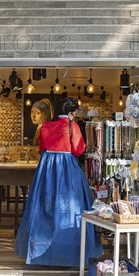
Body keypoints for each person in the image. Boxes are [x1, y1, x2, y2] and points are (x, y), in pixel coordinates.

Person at [15, 97, 103, 267]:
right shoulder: (72, 126)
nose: (75, 116)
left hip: (46, 169)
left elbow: (41, 148)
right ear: (70, 113)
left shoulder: (45, 126)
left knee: (42, 207)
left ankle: (40, 251)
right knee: (71, 209)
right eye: (75, 113)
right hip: (67, 169)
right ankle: (69, 252)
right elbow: (78, 150)